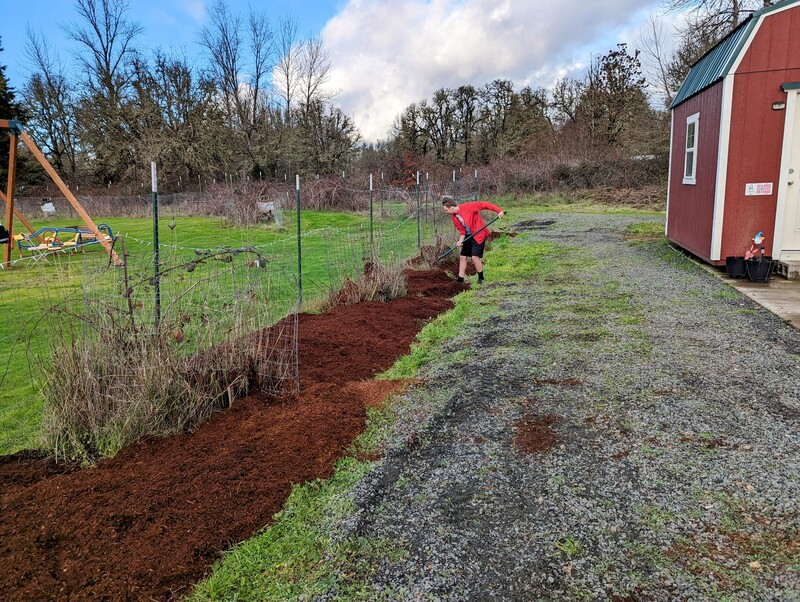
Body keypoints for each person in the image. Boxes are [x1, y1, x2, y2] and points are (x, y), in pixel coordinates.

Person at [442, 197, 504, 284]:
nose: (446, 212)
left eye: (446, 210)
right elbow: (462, 230)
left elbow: (484, 205)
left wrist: (499, 211)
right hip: (468, 235)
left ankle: (481, 278)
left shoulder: (468, 207)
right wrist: (460, 241)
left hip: (479, 234)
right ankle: (460, 279)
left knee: (475, 257)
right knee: (462, 257)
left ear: (451, 208)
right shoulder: (454, 217)